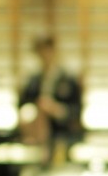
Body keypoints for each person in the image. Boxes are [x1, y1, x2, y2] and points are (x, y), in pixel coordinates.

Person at [17, 35, 82, 165]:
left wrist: (56, 109)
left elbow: (77, 111)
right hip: (35, 136)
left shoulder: (68, 79)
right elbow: (22, 105)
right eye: (40, 52)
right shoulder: (33, 80)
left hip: (63, 136)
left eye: (47, 51)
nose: (44, 55)